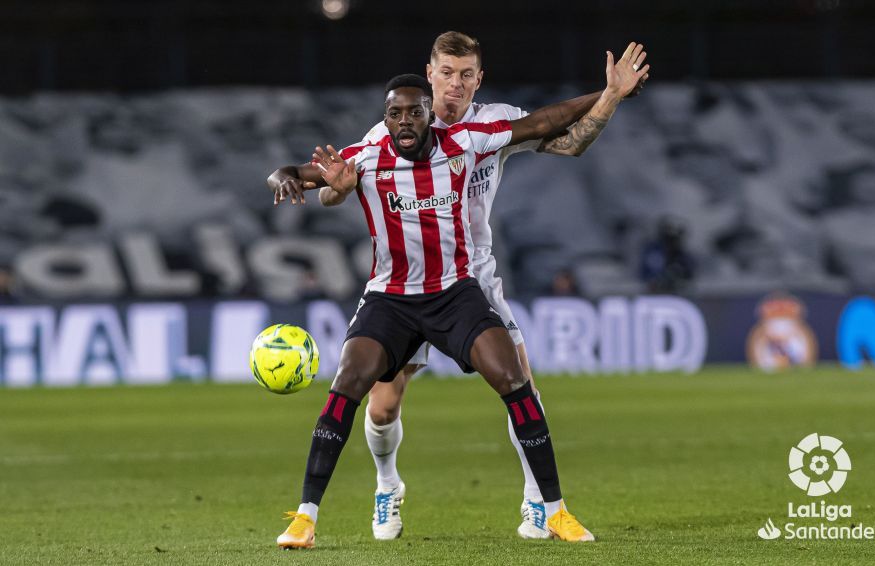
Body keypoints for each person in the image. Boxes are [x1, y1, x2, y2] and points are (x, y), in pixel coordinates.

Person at [270, 31, 649, 541]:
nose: (457, 85)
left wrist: (610, 95)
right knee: (382, 405)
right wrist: (313, 187)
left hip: (470, 279)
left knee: (520, 383)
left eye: (466, 75)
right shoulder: (385, 136)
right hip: (400, 288)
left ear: (479, 79)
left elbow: (566, 138)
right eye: (447, 74)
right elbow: (333, 185)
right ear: (429, 76)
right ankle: (387, 487)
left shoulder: (487, 126)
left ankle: (539, 502)